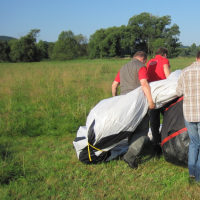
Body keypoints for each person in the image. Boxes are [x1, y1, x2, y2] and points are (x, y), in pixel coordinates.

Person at [111, 51, 155, 168]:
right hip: (137, 103)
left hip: (124, 102)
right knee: (142, 130)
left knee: (132, 128)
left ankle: (131, 151)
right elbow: (144, 84)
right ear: (143, 58)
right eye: (145, 60)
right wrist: (150, 101)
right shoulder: (141, 67)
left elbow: (114, 85)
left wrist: (115, 100)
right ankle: (130, 155)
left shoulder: (123, 68)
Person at [176, 51, 200, 183]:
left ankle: (192, 173)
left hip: (189, 114)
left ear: (196, 58)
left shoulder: (184, 72)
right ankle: (199, 177)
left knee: (194, 143)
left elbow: (178, 92)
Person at [146, 47, 171, 154]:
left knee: (154, 121)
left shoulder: (149, 62)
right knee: (167, 119)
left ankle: (156, 144)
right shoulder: (164, 60)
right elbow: (168, 77)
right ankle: (166, 142)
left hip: (152, 94)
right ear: (165, 54)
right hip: (163, 95)